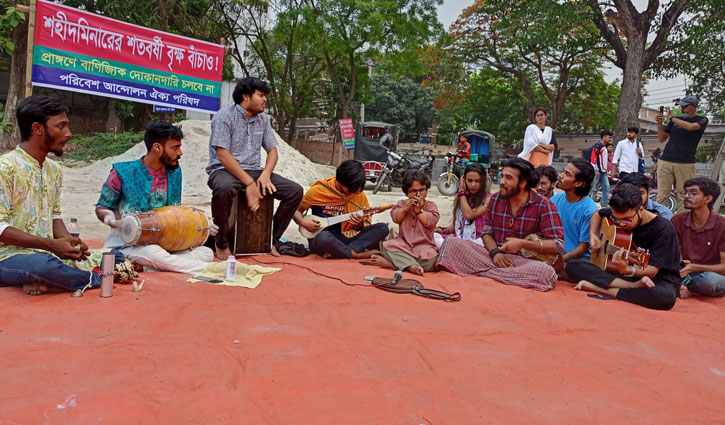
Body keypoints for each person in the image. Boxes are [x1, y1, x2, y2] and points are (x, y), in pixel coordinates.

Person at [0, 95, 124, 295]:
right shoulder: (5, 168)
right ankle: (97, 278)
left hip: (48, 253)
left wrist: (71, 245)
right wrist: (51, 245)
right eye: (61, 126)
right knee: (42, 266)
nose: (69, 133)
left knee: (116, 256)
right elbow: (0, 228)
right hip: (7, 257)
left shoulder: (54, 170)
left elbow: (54, 216)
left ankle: (52, 279)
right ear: (37, 129)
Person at [96, 121, 217, 275]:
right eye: (175, 147)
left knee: (206, 253)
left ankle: (147, 267)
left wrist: (202, 222)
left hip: (165, 243)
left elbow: (175, 213)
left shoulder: (174, 173)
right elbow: (102, 206)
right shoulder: (122, 172)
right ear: (157, 148)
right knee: (153, 252)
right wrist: (110, 219)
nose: (180, 152)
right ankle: (208, 270)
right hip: (128, 244)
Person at [206, 77, 303, 259]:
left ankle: (271, 240)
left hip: (255, 170)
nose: (264, 99)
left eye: (265, 95)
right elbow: (223, 155)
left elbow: (272, 152)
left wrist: (266, 175)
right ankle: (221, 242)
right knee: (224, 188)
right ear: (246, 96)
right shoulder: (224, 116)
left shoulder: (263, 119)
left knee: (294, 191)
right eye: (260, 95)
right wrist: (250, 183)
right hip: (224, 169)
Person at [437, 158, 564, 291]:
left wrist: (522, 244)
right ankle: (502, 276)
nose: (502, 182)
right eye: (502, 176)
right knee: (451, 243)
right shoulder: (496, 199)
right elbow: (486, 233)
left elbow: (558, 245)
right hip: (495, 258)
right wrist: (495, 253)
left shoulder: (544, 205)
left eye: (508, 178)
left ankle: (487, 274)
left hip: (524, 262)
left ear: (523, 182)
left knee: (544, 272)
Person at [565, 183, 680, 310]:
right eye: (616, 219)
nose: (621, 224)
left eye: (626, 220)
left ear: (641, 210)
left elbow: (653, 270)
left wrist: (627, 270)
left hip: (656, 279)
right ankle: (633, 286)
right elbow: (598, 213)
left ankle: (603, 289)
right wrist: (593, 236)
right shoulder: (620, 212)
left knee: (664, 298)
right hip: (621, 274)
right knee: (572, 265)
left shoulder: (664, 229)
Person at [293, 160, 388, 259]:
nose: (354, 192)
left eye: (357, 189)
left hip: (345, 238)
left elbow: (359, 228)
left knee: (382, 228)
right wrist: (302, 222)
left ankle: (340, 251)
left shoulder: (357, 193)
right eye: (351, 189)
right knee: (323, 237)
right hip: (323, 240)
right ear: (341, 181)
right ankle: (355, 254)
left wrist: (358, 223)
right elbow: (296, 211)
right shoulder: (319, 191)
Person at [371, 170, 439, 276]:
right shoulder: (402, 203)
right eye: (414, 191)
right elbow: (396, 219)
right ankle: (411, 266)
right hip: (403, 245)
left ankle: (394, 265)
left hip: (424, 247)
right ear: (406, 193)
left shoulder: (431, 206)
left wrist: (418, 210)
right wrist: (405, 208)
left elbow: (430, 222)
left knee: (433, 261)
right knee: (387, 246)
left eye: (422, 190)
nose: (418, 194)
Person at [672, 177, 725, 299]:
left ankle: (687, 288)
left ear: (708, 198)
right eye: (685, 192)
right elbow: (677, 254)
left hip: (711, 273)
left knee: (711, 281)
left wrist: (695, 267)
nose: (686, 196)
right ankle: (682, 286)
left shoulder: (722, 225)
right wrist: (680, 261)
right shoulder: (677, 220)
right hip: (684, 270)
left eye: (693, 193)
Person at [656, 96, 709, 213]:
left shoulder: (702, 119)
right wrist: (660, 124)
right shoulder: (674, 121)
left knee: (684, 196)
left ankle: (681, 225)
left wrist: (671, 117)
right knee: (662, 195)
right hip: (666, 161)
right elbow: (661, 138)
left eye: (685, 106)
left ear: (694, 106)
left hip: (685, 163)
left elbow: (690, 127)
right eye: (681, 106)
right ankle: (661, 223)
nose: (682, 109)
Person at [551, 158, 597, 263]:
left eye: (567, 174)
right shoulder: (555, 200)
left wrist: (559, 260)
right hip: (554, 254)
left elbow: (582, 248)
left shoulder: (589, 210)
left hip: (576, 261)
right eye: (563, 171)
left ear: (578, 183)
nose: (560, 176)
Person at [434, 163, 490, 248]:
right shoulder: (459, 197)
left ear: (483, 181)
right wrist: (442, 230)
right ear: (464, 180)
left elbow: (469, 215)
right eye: (470, 181)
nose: (473, 185)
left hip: (478, 241)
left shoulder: (488, 198)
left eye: (477, 181)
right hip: (459, 239)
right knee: (433, 236)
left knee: (480, 243)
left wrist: (462, 193)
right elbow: (455, 226)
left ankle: (453, 249)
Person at [588, 130, 614, 206]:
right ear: (604, 137)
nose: (610, 139)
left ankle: (604, 204)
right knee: (591, 188)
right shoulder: (597, 147)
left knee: (606, 188)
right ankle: (587, 204)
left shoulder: (603, 147)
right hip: (597, 172)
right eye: (609, 137)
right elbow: (593, 159)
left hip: (603, 172)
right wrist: (596, 170)